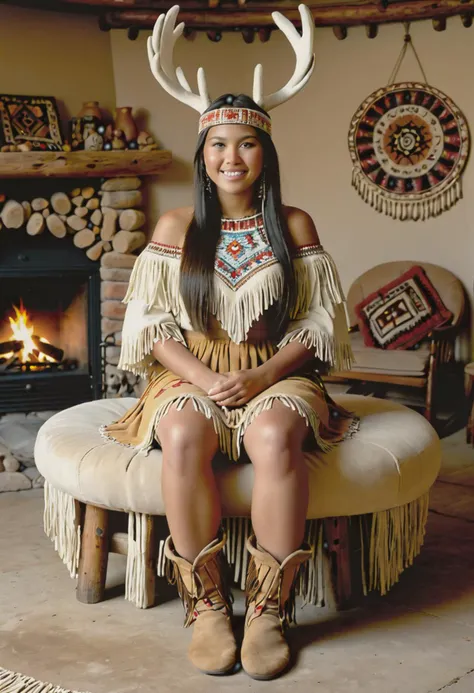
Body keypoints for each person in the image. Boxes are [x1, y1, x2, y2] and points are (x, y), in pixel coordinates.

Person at [103, 4, 358, 681]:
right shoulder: (178, 223)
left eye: (246, 143)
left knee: (275, 436)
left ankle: (270, 609)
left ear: (265, 154)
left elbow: (320, 325)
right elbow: (151, 325)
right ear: (203, 156)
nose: (231, 156)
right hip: (193, 370)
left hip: (277, 369)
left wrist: (261, 375)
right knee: (184, 434)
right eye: (219, 145)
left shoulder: (294, 223)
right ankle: (208, 604)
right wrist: (208, 379)